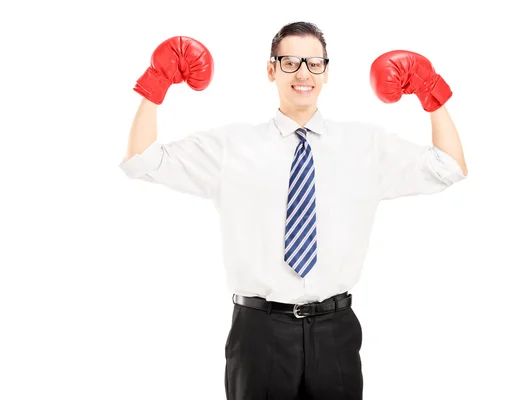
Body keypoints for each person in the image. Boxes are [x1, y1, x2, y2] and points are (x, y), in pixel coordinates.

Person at [119, 21, 468, 400]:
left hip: (335, 329)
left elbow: (448, 167)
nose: (303, 73)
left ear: (327, 72)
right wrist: (156, 82)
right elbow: (142, 160)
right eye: (290, 62)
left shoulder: (366, 146)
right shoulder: (231, 147)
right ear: (271, 70)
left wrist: (432, 92)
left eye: (314, 63)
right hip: (259, 331)